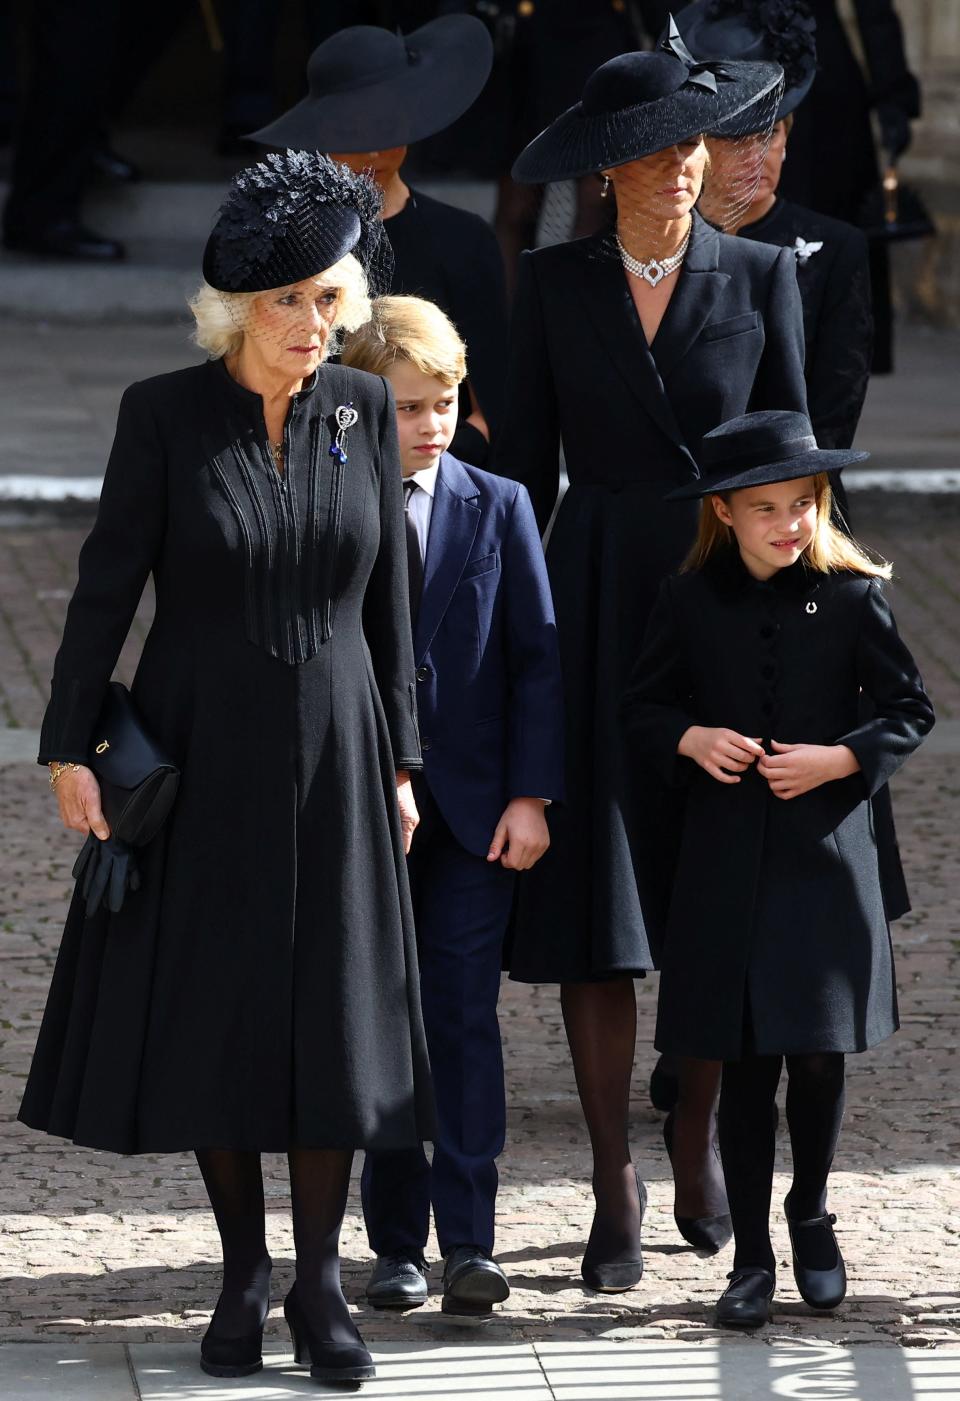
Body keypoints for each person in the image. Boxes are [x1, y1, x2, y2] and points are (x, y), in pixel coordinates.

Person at [18, 152, 434, 1386]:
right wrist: (67, 745)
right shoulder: (161, 413)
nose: (316, 326)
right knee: (222, 1012)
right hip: (199, 754)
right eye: (291, 303)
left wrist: (406, 763)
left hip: (342, 755)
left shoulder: (362, 416)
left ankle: (319, 1285)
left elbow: (393, 614)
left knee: (331, 1019)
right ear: (235, 311)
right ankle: (243, 1269)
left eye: (330, 301)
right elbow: (104, 589)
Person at [494, 40, 807, 1288]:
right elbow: (518, 471)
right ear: (609, 170)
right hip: (591, 594)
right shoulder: (553, 282)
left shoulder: (765, 273)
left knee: (714, 884)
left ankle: (694, 1134)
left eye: (695, 148)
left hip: (722, 602)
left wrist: (808, 620)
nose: (685, 172)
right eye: (658, 154)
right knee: (597, 898)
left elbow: (792, 466)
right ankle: (611, 1181)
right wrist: (495, 621)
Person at [621, 409, 934, 1326]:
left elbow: (909, 707)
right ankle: (751, 1256)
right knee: (746, 1065)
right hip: (724, 867)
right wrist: (690, 735)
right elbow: (639, 709)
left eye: (804, 503)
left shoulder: (849, 594)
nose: (791, 522)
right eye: (768, 508)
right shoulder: (686, 600)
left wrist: (840, 759)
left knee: (820, 1056)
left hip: (826, 865)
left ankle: (811, 1213)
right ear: (724, 511)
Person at [341, 295, 564, 1322]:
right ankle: (394, 1242)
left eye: (444, 402)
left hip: (478, 811)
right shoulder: (330, 505)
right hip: (361, 810)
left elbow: (535, 660)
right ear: (354, 408)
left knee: (463, 1015)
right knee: (383, 1015)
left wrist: (530, 795)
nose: (430, 424)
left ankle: (468, 1238)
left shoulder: (501, 502)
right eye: (405, 408)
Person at [251, 16, 507, 469]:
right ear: (322, 129)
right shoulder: (284, 243)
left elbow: (493, 393)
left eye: (385, 125)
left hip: (438, 469)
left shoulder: (462, 239)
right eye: (354, 128)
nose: (372, 149)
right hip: (313, 467)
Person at [676, 0, 872, 457]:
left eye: (772, 134)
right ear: (698, 142)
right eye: (735, 137)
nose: (756, 157)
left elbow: (833, 416)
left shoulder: (838, 249)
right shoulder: (660, 240)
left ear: (789, 133)